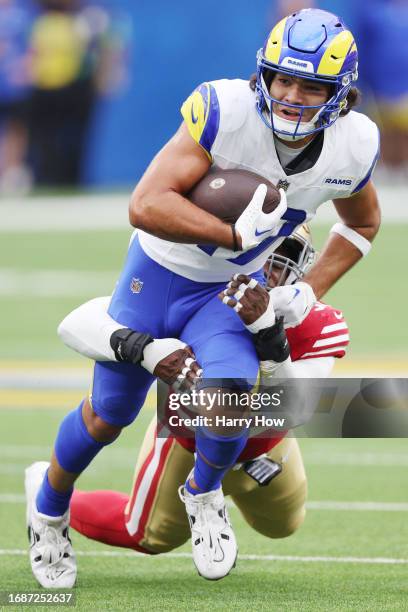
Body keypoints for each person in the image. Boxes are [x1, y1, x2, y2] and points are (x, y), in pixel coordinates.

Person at [25, 8, 380, 587]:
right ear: (261, 74)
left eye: (309, 84)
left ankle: (205, 493)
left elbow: (362, 224)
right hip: (160, 272)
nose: (290, 96)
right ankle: (48, 508)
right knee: (110, 413)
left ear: (341, 95)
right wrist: (231, 234)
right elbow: (145, 203)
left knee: (233, 392)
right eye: (281, 79)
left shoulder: (353, 144)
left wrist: (304, 293)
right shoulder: (228, 110)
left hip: (225, 292)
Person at [35, 226, 349, 557]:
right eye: (262, 254)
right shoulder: (192, 297)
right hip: (187, 443)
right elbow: (81, 321)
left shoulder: (318, 323)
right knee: (147, 536)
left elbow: (295, 409)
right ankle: (47, 488)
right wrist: (144, 349)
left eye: (283, 258)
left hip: (265, 448)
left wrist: (271, 337)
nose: (267, 269)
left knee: (283, 525)